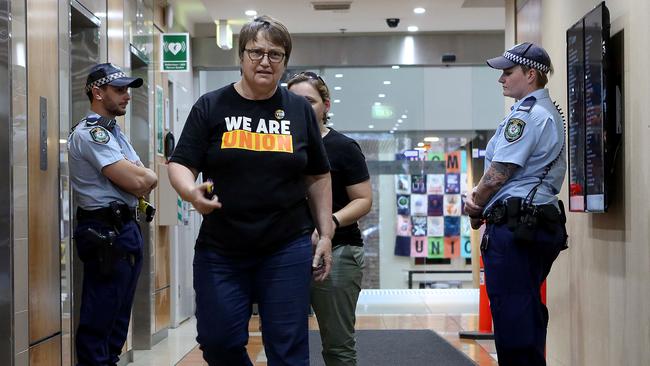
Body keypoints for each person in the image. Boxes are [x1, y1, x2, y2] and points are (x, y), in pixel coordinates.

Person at [167, 16, 334, 366]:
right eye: (256, 52)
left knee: (288, 349)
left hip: (286, 246)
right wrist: (190, 192)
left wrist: (326, 234)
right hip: (222, 248)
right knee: (218, 341)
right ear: (241, 56)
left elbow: (318, 176)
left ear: (285, 62)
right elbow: (180, 163)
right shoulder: (211, 106)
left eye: (275, 54)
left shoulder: (299, 110)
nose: (265, 61)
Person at [464, 42, 568, 366]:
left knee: (513, 322)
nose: (502, 80)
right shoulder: (543, 113)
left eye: (508, 73)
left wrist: (476, 202)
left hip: (516, 228)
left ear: (531, 74)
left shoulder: (526, 117)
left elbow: (498, 174)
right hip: (534, 222)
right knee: (525, 314)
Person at [68, 63, 158, 366]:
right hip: (105, 231)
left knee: (117, 322)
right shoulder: (92, 134)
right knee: (100, 320)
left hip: (124, 229)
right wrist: (145, 178)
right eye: (119, 90)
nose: (127, 96)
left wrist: (145, 178)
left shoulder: (114, 132)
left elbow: (144, 179)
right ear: (97, 91)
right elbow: (139, 180)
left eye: (128, 90)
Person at [288, 72, 372, 366]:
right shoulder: (277, 145)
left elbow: (364, 200)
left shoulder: (342, 147)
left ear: (325, 105)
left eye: (309, 101)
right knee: (285, 344)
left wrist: (330, 224)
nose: (301, 107)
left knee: (337, 347)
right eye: (294, 101)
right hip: (285, 255)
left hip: (338, 251)